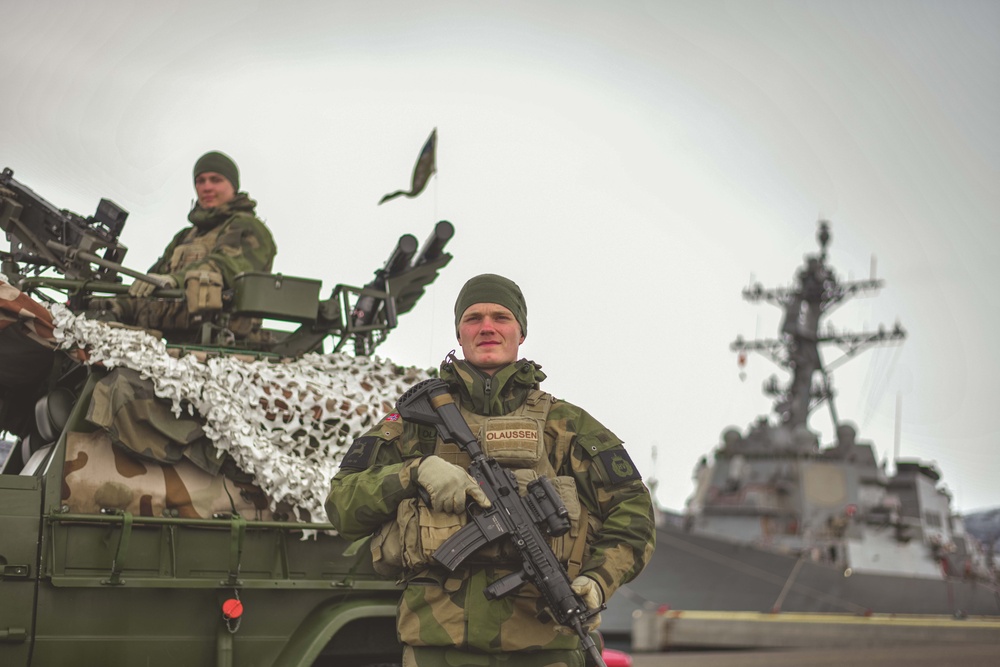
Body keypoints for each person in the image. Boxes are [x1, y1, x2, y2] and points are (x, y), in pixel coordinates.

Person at [326, 274, 655, 667]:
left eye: (501, 317)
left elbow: (633, 513)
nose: (487, 328)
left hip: (545, 651)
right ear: (459, 332)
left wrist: (599, 581)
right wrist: (413, 472)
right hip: (439, 650)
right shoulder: (418, 423)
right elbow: (341, 503)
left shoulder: (566, 425)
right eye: (474, 317)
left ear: (520, 332)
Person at [115, 150, 276, 342]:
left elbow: (225, 266)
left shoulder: (247, 227)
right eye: (200, 181)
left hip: (223, 339)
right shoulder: (186, 235)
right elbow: (152, 281)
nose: (206, 187)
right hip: (171, 331)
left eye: (215, 180)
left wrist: (175, 279)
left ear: (233, 186)